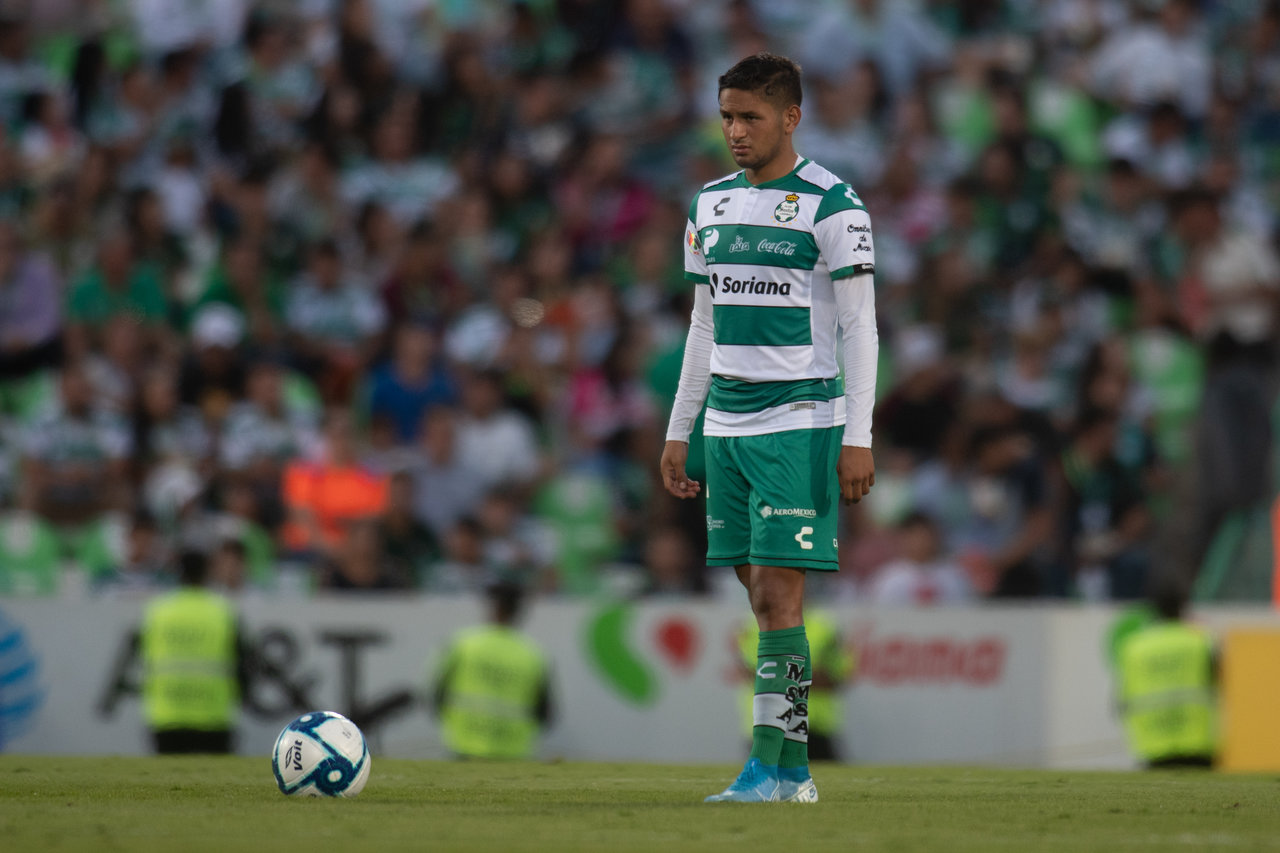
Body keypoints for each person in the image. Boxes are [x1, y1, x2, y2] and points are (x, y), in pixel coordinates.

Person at [659, 53, 877, 803]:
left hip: (799, 419)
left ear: (791, 117)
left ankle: (765, 769)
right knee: (760, 599)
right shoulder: (709, 204)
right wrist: (680, 429)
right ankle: (793, 774)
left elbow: (860, 327)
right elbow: (703, 323)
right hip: (725, 425)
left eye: (750, 116)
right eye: (726, 116)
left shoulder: (834, 206)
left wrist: (858, 434)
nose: (735, 130)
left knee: (779, 596)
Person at [139, 550, 250, 754]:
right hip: (212, 714)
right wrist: (242, 695)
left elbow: (145, 659)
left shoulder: (158, 611)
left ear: (178, 573)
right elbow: (243, 663)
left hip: (166, 714)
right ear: (206, 573)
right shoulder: (222, 611)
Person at [428, 581, 553, 759]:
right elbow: (545, 712)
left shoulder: (462, 644)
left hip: (464, 744)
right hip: (513, 751)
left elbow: (436, 694)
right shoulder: (534, 654)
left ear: (492, 607)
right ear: (519, 612)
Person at [1115, 572, 1218, 769]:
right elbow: (1220, 684)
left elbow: (1121, 701)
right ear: (1182, 606)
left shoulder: (1134, 647)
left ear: (1153, 610)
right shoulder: (1200, 641)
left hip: (1153, 745)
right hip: (1196, 742)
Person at [737, 609, 855, 762]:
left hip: (815, 726)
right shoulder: (754, 626)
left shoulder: (825, 627)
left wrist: (782, 674)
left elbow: (837, 677)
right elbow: (752, 672)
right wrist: (804, 674)